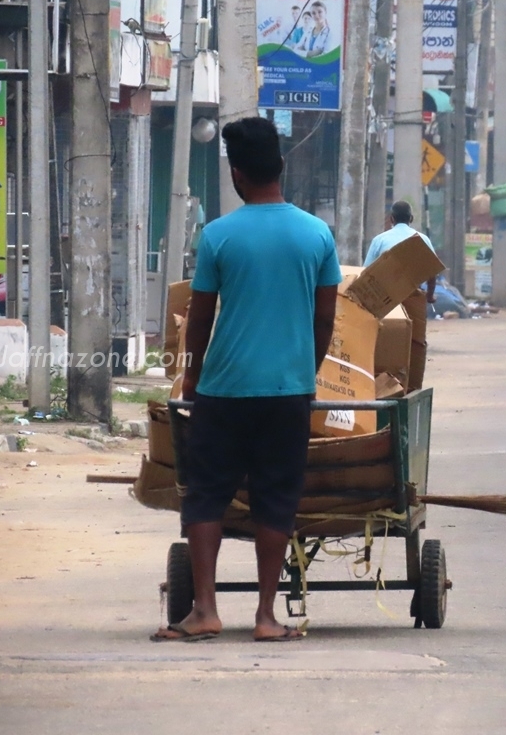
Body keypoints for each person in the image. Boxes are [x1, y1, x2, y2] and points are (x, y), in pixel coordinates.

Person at [152, 117, 341, 643]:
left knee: (207, 494)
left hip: (224, 389)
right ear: (280, 166)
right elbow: (325, 318)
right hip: (288, 391)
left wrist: (191, 379)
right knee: (276, 496)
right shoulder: (316, 234)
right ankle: (264, 617)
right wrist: (308, 366)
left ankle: (206, 611)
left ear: (236, 174)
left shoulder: (218, 236)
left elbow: (201, 317)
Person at [364, 200, 437, 304]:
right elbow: (432, 271)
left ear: (391, 219)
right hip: (413, 296)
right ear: (411, 218)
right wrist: (430, 296)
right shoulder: (423, 239)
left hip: (384, 299)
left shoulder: (379, 240)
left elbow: (366, 271)